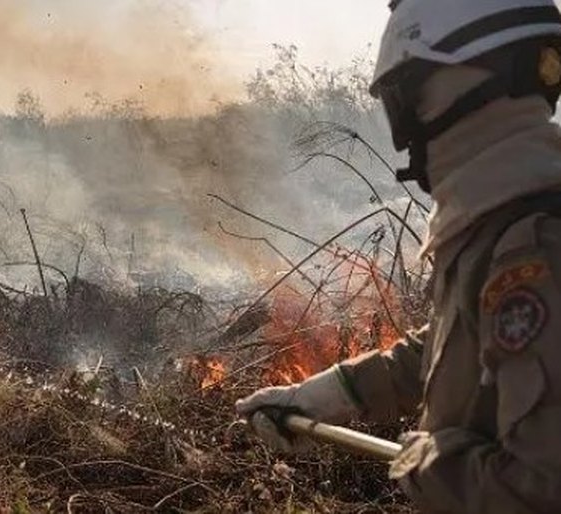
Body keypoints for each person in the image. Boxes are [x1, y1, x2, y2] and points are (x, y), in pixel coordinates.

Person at [236, 1, 561, 512]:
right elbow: (464, 343)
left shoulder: (534, 250)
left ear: (446, 89)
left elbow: (539, 490)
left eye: (402, 101)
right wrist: (324, 395)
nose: (407, 133)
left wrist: (424, 463)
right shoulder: (507, 227)